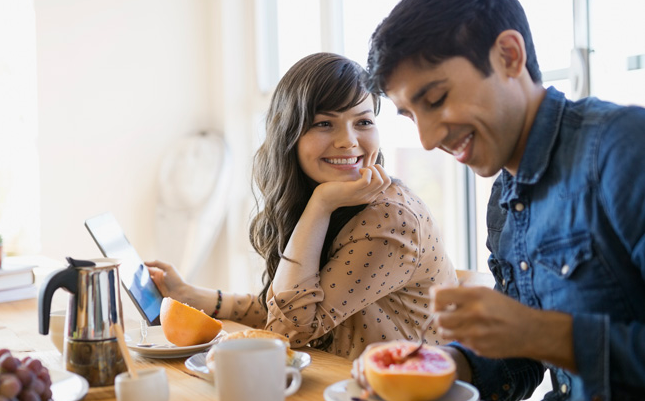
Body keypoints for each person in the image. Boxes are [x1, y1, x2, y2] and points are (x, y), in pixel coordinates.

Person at [361, 0, 645, 401]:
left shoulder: (622, 149)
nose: (428, 140)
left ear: (509, 56)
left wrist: (547, 333)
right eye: (412, 116)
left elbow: (540, 336)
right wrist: (446, 364)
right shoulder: (505, 197)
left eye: (436, 99)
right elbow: (525, 354)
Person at [147, 52, 456, 360]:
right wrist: (190, 296)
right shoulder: (336, 200)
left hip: (409, 400)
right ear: (289, 135)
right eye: (324, 123)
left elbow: (288, 330)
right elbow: (289, 305)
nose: (348, 141)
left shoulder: (389, 219)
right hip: (350, 391)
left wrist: (321, 205)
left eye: (363, 121)